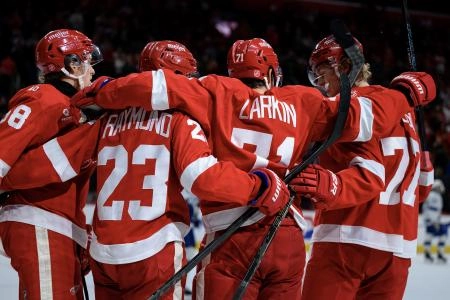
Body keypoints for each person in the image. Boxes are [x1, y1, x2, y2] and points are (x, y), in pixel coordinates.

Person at [68, 37, 400, 299]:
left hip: (229, 237)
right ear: (271, 73)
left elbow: (157, 86)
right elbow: (367, 118)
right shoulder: (303, 100)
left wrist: (104, 91)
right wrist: (407, 94)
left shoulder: (214, 90)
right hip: (285, 236)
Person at [0, 40, 290, 299]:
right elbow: (201, 176)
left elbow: (54, 163)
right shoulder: (181, 121)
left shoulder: (105, 120)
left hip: (105, 253)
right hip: (155, 251)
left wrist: (8, 184)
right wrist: (259, 187)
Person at [291, 35, 435, 300]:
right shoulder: (407, 114)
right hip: (398, 251)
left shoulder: (351, 107)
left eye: (322, 74)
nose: (320, 84)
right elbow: (423, 188)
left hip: (346, 239)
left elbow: (370, 173)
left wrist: (329, 186)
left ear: (345, 67)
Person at [0, 29, 102, 299]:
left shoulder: (73, 107)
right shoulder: (43, 98)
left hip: (58, 225)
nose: (91, 70)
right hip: (39, 221)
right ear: (71, 64)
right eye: (87, 60)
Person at [423, 178, 448, 263]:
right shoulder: (435, 196)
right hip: (432, 220)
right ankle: (439, 253)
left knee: (429, 235)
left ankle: (427, 253)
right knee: (444, 234)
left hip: (429, 220)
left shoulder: (430, 194)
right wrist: (434, 221)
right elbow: (432, 209)